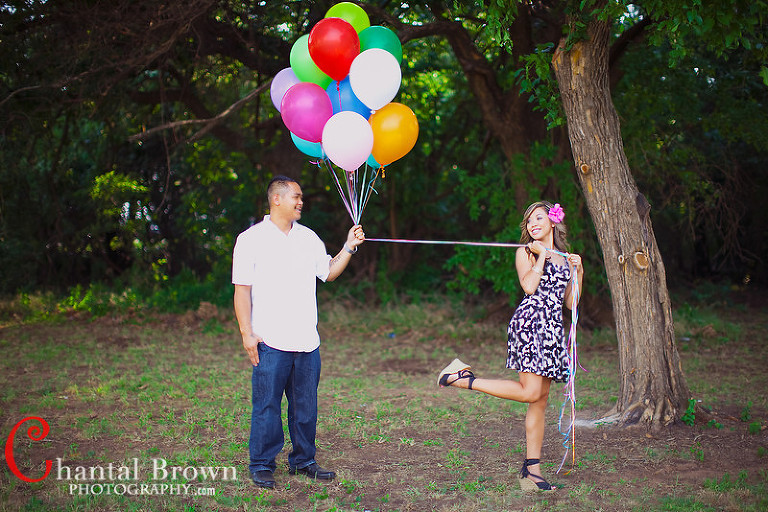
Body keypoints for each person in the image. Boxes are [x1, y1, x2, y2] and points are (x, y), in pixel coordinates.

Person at [437, 201, 583, 491]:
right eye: (529, 221)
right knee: (530, 392)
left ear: (553, 222)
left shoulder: (566, 258)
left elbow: (571, 303)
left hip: (553, 330)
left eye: (539, 218)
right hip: (530, 325)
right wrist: (540, 257)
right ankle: (462, 379)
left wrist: (579, 271)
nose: (533, 224)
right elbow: (529, 287)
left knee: (540, 400)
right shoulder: (525, 252)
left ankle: (532, 472)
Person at [232, 175, 365, 490]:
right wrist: (246, 333)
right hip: (270, 341)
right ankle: (262, 464)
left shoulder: (309, 238)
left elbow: (329, 272)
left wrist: (349, 246)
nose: (301, 201)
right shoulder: (250, 239)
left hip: (307, 341)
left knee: (306, 407)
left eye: (302, 197)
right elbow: (241, 291)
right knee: (267, 405)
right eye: (296, 196)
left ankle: (304, 461)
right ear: (276, 199)